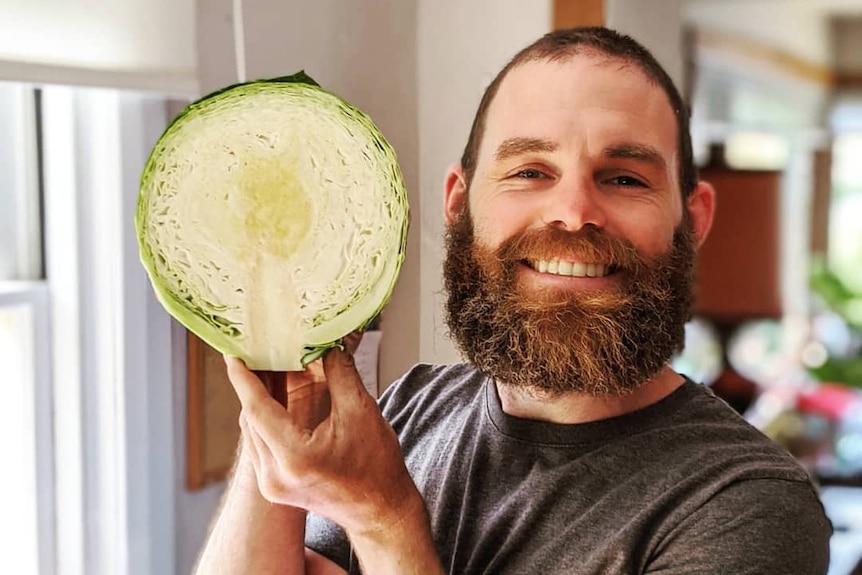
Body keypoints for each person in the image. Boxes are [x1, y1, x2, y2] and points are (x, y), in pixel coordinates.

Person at [194, 26, 833, 575]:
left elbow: (377, 514)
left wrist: (384, 517)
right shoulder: (411, 410)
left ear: (691, 221)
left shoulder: (745, 505)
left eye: (624, 178)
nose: (575, 212)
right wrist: (278, 392)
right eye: (530, 171)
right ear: (458, 204)